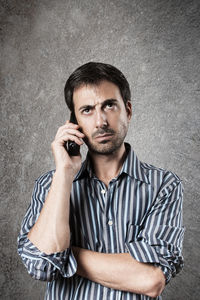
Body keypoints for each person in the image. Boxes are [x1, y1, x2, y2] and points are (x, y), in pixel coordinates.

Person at [17, 62, 184, 300]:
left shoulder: (163, 186)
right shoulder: (49, 186)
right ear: (74, 123)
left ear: (128, 110)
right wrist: (64, 173)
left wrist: (66, 255)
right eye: (87, 110)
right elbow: (40, 266)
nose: (100, 121)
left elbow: (151, 280)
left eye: (109, 106)